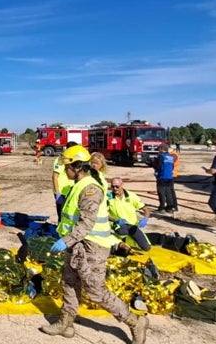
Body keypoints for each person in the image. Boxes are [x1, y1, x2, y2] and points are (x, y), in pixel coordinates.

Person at [44, 145, 148, 342]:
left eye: (67, 166)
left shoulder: (90, 189)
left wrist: (65, 240)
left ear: (76, 166)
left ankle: (135, 321)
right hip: (78, 245)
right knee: (69, 282)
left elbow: (87, 222)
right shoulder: (78, 185)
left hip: (94, 247)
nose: (64, 171)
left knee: (95, 291)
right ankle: (66, 323)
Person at [107, 177, 152, 253]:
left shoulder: (131, 196)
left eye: (117, 186)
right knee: (123, 232)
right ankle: (115, 240)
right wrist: (115, 220)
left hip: (132, 225)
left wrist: (145, 218)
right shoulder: (108, 198)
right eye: (112, 186)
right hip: (118, 225)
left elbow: (146, 209)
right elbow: (103, 214)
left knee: (146, 247)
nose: (114, 189)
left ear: (122, 185)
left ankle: (127, 239)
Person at [152, 144, 177, 213]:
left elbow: (159, 166)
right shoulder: (171, 157)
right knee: (168, 192)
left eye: (158, 149)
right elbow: (172, 166)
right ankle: (170, 207)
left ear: (161, 149)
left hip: (162, 176)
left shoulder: (161, 156)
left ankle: (162, 207)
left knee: (161, 192)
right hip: (170, 177)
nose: (158, 151)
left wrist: (156, 172)